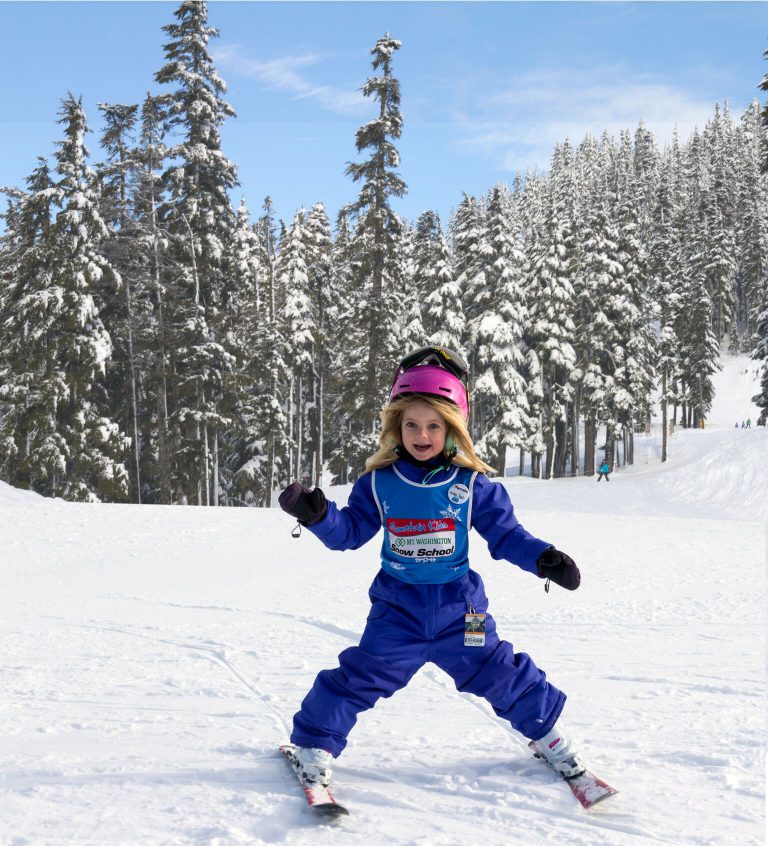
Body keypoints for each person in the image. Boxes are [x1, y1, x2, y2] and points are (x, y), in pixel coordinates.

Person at [278, 346, 587, 791]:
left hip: (462, 611)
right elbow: (349, 533)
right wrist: (317, 514)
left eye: (433, 426)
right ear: (396, 427)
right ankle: (314, 748)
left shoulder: (472, 484)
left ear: (453, 428)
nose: (421, 435)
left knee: (500, 671)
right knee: (358, 677)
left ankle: (550, 738)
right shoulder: (379, 482)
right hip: (396, 611)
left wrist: (544, 559)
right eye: (411, 425)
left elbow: (506, 536)